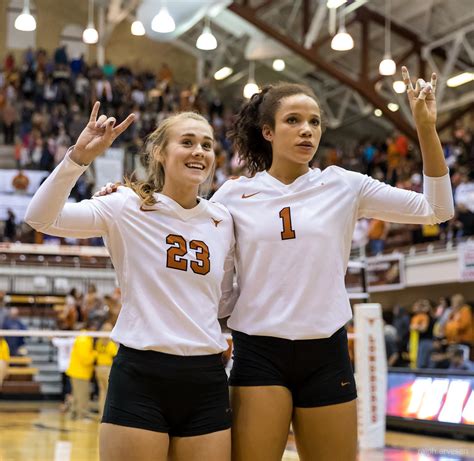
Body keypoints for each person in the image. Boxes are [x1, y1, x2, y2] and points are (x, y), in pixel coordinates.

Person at [209, 67, 454, 460]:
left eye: (314, 122)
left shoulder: (345, 184)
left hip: (327, 353)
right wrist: (130, 199)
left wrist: (425, 128)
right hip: (259, 353)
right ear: (267, 131)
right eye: (293, 121)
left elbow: (437, 209)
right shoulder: (233, 195)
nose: (307, 130)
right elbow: (191, 239)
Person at [25, 102, 234, 461]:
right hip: (142, 375)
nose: (199, 151)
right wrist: (77, 159)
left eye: (207, 144)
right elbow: (41, 218)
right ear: (159, 152)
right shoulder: (125, 205)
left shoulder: (224, 219)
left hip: (206, 379)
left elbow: (225, 299)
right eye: (187, 142)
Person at [94, 323, 118, 419]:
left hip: (98, 368)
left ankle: (101, 414)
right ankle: (109, 415)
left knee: (102, 392)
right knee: (109, 393)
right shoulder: (111, 343)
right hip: (107, 368)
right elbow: (115, 353)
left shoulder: (98, 342)